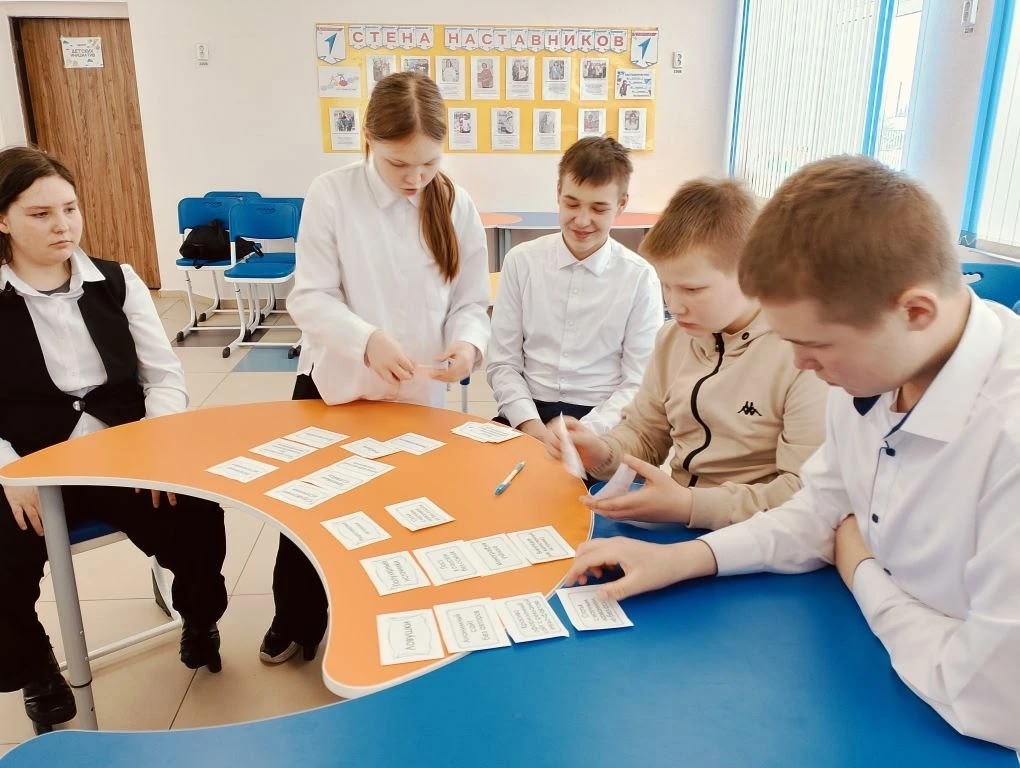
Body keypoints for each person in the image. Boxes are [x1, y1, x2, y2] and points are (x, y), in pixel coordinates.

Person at [566, 156, 1020, 750]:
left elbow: (990, 700)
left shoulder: (1005, 434)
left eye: (814, 344)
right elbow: (816, 514)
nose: (800, 364)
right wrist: (683, 560)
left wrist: (862, 572)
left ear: (914, 312)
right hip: (886, 681)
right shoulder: (869, 369)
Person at [261, 71, 489, 665]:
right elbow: (310, 297)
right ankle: (296, 618)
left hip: (416, 394)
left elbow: (470, 302)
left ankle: (388, 624)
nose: (415, 178)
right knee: (309, 510)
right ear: (368, 140)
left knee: (403, 511)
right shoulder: (332, 194)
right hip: (336, 387)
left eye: (429, 163)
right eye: (398, 164)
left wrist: (467, 346)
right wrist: (366, 341)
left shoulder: (456, 204)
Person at [0, 146, 228, 733]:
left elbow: (163, 377)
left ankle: (199, 618)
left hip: (125, 456)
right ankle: (36, 668)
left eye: (70, 209)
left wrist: (156, 450)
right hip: (30, 466)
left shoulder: (118, 281)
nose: (63, 225)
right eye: (40, 214)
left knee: (199, 514)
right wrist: (8, 471)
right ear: (3, 220)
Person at [548, 177, 827, 529]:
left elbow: (802, 492)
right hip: (675, 518)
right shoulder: (673, 339)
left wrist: (689, 505)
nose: (674, 305)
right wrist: (601, 451)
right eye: (666, 285)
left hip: (755, 535)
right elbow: (645, 434)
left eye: (693, 289)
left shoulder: (802, 357)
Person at [486, 137, 661, 444]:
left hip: (605, 419)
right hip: (528, 412)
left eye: (599, 208)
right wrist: (530, 424)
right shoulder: (522, 262)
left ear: (621, 205)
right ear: (558, 193)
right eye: (572, 204)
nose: (582, 220)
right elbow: (503, 363)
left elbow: (639, 382)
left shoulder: (639, 278)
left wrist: (586, 432)